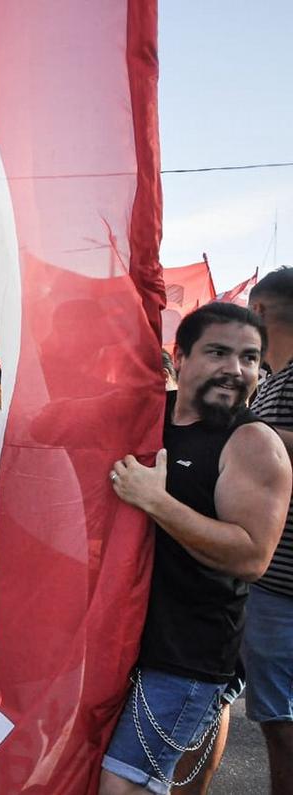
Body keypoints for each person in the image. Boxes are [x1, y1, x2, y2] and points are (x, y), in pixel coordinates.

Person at [100, 302, 291, 795]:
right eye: (219, 352)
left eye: (250, 358)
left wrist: (156, 502)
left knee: (124, 787)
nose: (236, 369)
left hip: (187, 654)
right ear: (179, 357)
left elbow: (251, 556)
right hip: (117, 640)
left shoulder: (252, 443)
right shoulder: (148, 417)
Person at [244, 270, 293, 794]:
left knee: (282, 726)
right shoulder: (274, 380)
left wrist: (238, 429)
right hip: (266, 581)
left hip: (281, 589)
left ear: (257, 315)